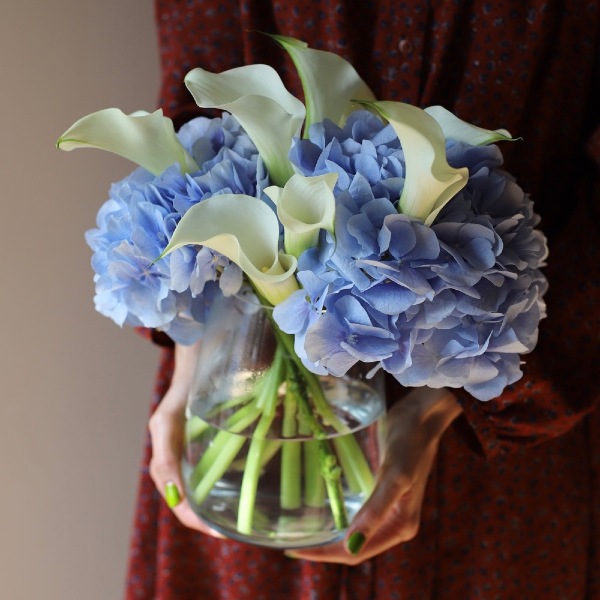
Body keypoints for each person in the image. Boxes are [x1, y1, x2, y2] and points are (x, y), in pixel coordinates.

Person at [126, 1, 600, 598]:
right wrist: (193, 363)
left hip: (497, 422)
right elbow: (197, 115)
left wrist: (435, 412)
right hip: (242, 371)